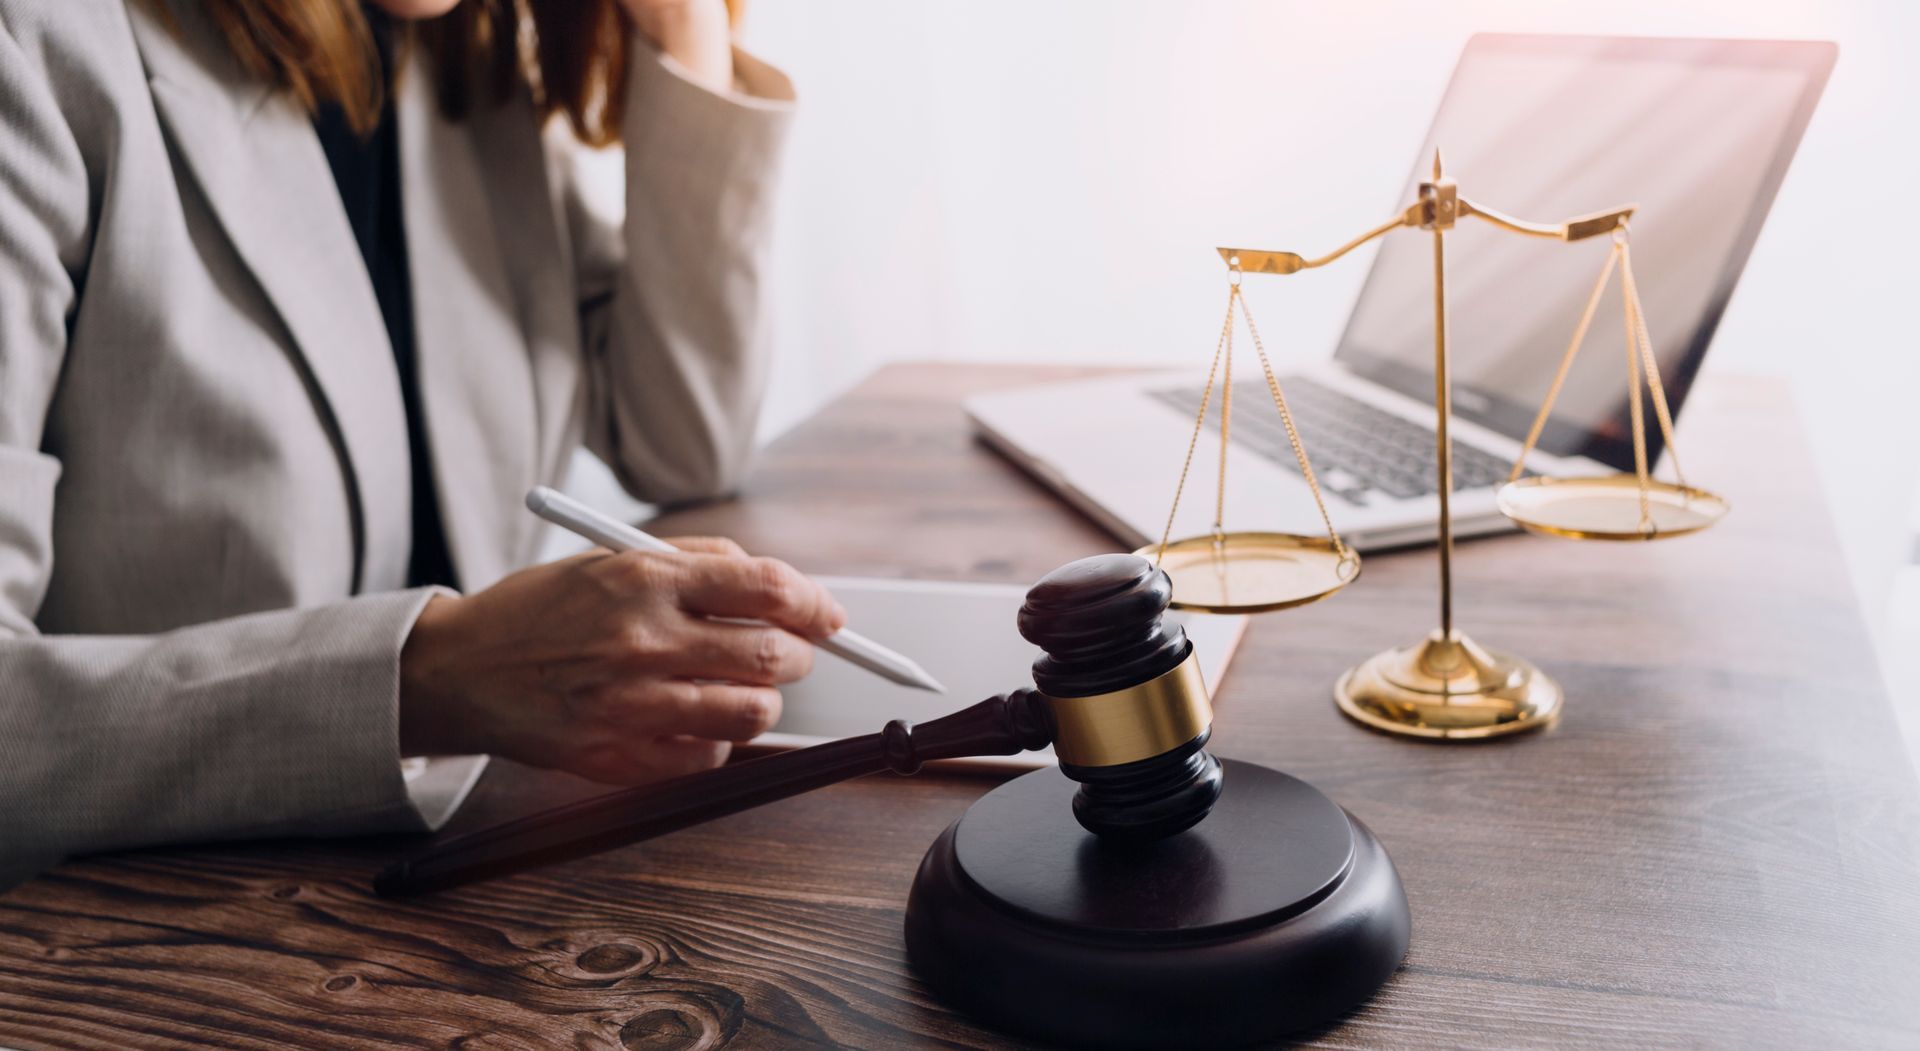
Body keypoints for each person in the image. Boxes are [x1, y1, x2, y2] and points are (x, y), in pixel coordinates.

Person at [0, 0, 842, 881]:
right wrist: (426, 681)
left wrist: (689, 31)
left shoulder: (459, 52)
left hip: (475, 882)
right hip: (130, 942)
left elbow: (679, 436)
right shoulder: (41, 45)